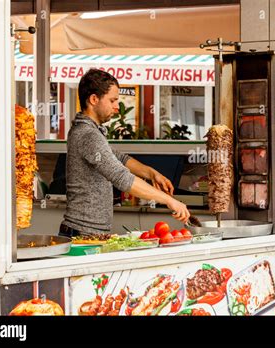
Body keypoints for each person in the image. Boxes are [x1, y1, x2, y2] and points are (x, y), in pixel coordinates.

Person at [59, 69, 190, 237]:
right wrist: (169, 201)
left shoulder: (90, 131)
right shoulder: (88, 135)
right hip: (82, 234)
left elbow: (119, 158)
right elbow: (122, 178)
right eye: (112, 100)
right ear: (93, 99)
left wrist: (151, 173)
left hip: (88, 232)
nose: (116, 107)